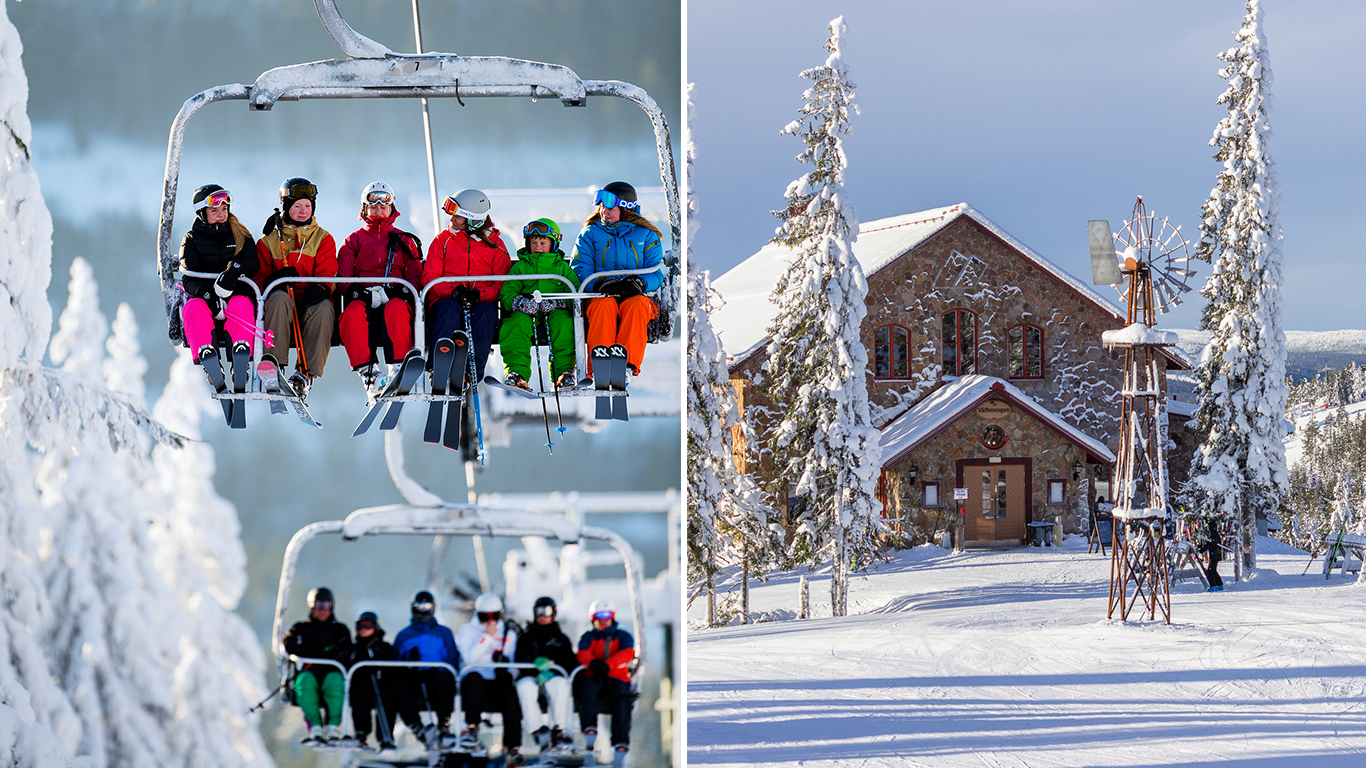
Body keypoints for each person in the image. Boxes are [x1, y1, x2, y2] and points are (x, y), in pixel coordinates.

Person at [570, 181, 663, 380]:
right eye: (601, 207)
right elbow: (580, 268)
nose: (604, 211)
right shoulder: (590, 234)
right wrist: (599, 284)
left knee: (636, 306)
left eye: (610, 208)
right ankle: (599, 366)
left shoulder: (646, 236)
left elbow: (656, 272)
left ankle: (627, 366)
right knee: (603, 306)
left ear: (626, 209)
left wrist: (640, 283)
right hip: (601, 294)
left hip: (636, 296)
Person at [337, 182, 424, 394]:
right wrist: (360, 294)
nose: (378, 211)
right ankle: (369, 373)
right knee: (352, 313)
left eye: (383, 207)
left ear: (391, 209)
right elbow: (343, 278)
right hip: (364, 299)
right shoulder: (353, 241)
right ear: (364, 209)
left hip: (394, 298)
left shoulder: (404, 240)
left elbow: (415, 275)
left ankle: (397, 368)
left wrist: (398, 291)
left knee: (396, 308)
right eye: (373, 207)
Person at [254, 177, 338, 398]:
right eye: (297, 206)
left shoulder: (323, 239)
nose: (303, 212)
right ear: (286, 207)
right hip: (282, 303)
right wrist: (276, 279)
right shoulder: (269, 241)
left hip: (310, 302)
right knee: (279, 299)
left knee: (324, 308)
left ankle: (305, 374)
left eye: (307, 206)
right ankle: (275, 366)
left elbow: (329, 273)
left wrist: (321, 288)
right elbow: (257, 279)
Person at [422, 189, 511, 384]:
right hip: (446, 299)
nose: (452, 219)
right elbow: (430, 276)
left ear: (472, 220)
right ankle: (437, 366)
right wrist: (452, 291)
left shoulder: (496, 246)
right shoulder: (442, 241)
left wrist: (480, 294)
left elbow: (501, 284)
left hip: (479, 301)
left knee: (487, 312)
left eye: (458, 215)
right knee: (449, 310)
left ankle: (473, 371)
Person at [179, 184, 259, 384]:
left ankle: (240, 357)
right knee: (192, 307)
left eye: (224, 209)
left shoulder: (240, 234)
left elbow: (252, 261)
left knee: (241, 303)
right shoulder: (191, 240)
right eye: (214, 211)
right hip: (207, 303)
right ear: (201, 213)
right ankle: (209, 358)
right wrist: (209, 296)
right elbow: (189, 276)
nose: (221, 214)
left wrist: (233, 272)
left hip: (235, 298)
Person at [498, 219, 579, 390]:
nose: (537, 247)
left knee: (564, 324)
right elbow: (507, 293)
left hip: (554, 312)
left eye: (543, 243)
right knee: (515, 324)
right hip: (528, 312)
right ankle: (516, 372)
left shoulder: (562, 268)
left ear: (553, 244)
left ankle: (564, 373)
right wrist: (519, 303)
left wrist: (559, 302)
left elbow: (575, 294)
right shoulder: (521, 267)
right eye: (533, 243)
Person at [454, 594, 524, 766]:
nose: (490, 621)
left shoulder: (509, 633)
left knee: (510, 694)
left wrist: (510, 673)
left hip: (497, 678)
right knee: (474, 679)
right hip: (475, 678)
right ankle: (471, 730)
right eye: (485, 617)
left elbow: (515, 662)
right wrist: (488, 638)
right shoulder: (467, 631)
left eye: (495, 616)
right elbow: (470, 659)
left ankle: (512, 746)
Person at [391, 590, 461, 747]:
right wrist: (408, 664)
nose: (423, 611)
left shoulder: (444, 633)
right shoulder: (404, 635)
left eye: (427, 607)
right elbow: (395, 663)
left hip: (436, 675)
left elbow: (451, 659)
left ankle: (443, 724)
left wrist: (443, 670)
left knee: (443, 678)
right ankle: (416, 726)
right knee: (398, 684)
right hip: (414, 676)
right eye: (420, 607)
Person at [282, 587, 352, 742]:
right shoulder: (301, 628)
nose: (323, 610)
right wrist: (312, 653)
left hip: (331, 671)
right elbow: (288, 643)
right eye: (319, 606)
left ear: (332, 607)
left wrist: (330, 655)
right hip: (310, 671)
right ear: (312, 607)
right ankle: (315, 726)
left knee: (335, 684)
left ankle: (333, 725)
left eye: (327, 606)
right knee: (304, 683)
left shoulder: (340, 630)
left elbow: (346, 651)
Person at [575, 599, 636, 768]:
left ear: (612, 616)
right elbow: (583, 654)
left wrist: (608, 665)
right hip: (594, 677)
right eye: (598, 616)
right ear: (592, 618)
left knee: (623, 697)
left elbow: (627, 654)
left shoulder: (622, 636)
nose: (602, 619)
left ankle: (620, 742)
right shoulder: (588, 637)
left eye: (606, 615)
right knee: (588, 689)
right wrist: (594, 665)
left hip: (617, 678)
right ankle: (589, 731)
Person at [513, 596, 578, 753]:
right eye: (538, 612)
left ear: (553, 613)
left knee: (560, 685)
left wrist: (552, 670)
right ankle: (537, 730)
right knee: (525, 687)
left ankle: (558, 729)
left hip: (552, 677)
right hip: (530, 677)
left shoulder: (561, 639)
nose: (542, 616)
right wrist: (533, 663)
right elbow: (519, 659)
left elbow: (569, 663)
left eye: (546, 611)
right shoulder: (526, 637)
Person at [348, 611, 398, 750]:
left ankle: (385, 737)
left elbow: (394, 668)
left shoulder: (384, 648)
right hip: (361, 686)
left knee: (386, 700)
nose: (363, 629)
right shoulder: (354, 649)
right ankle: (361, 732)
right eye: (360, 625)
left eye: (367, 625)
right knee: (359, 696)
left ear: (376, 627)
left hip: (381, 685)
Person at [1202, 517, 1225, 592]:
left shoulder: (1214, 535)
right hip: (1214, 555)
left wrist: (1206, 547)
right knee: (1213, 570)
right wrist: (1203, 547)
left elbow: (1213, 545)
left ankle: (1213, 586)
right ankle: (1219, 584)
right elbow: (1210, 543)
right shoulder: (1213, 535)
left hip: (1215, 555)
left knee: (1210, 571)